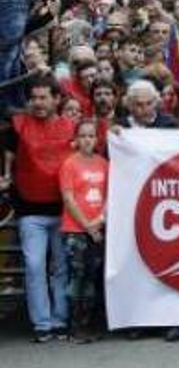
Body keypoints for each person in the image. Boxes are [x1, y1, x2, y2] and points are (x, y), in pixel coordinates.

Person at [1, 77, 77, 340]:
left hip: (64, 210)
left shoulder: (73, 127)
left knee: (61, 267)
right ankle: (42, 323)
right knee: (34, 267)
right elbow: (9, 158)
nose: (38, 102)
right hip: (29, 210)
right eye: (33, 98)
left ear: (57, 99)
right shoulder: (17, 126)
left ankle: (60, 319)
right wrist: (6, 176)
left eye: (43, 97)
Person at [59, 117, 109, 342]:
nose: (87, 140)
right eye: (83, 136)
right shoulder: (69, 164)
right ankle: (74, 326)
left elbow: (109, 196)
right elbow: (68, 199)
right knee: (76, 276)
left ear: (97, 139)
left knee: (91, 276)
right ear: (76, 139)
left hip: (98, 228)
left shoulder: (103, 164)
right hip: (75, 230)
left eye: (91, 135)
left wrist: (99, 221)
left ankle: (88, 324)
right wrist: (88, 225)